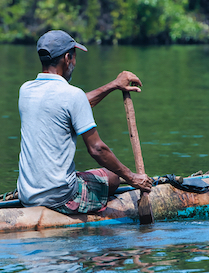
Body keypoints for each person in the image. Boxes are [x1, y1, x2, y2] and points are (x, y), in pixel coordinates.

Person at [17, 30, 152, 215]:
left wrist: (113, 85)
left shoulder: (25, 91)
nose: (74, 63)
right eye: (74, 58)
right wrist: (131, 178)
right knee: (113, 177)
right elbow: (97, 149)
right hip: (62, 197)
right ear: (67, 58)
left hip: (27, 195)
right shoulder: (72, 95)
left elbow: (72, 106)